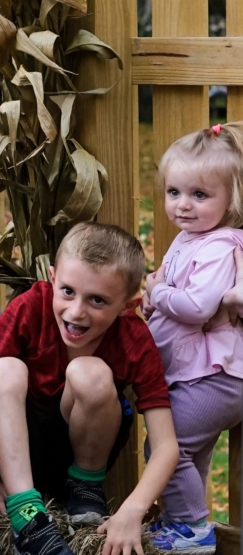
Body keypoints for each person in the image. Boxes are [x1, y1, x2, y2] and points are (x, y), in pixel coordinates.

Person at [0, 222, 178, 555]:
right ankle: (27, 517)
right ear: (52, 277)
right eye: (68, 291)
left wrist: (132, 511)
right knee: (3, 368)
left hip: (75, 452)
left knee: (90, 373)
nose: (76, 312)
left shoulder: (134, 340)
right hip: (11, 449)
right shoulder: (32, 307)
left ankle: (85, 488)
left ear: (127, 305)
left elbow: (166, 446)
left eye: (98, 300)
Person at [139, 123, 243, 554]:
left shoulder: (219, 246)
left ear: (231, 200)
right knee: (190, 454)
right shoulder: (189, 238)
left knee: (170, 443)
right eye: (174, 192)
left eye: (200, 195)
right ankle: (182, 522)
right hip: (195, 373)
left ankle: (192, 530)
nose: (183, 205)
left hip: (217, 377)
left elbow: (198, 307)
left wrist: (156, 292)